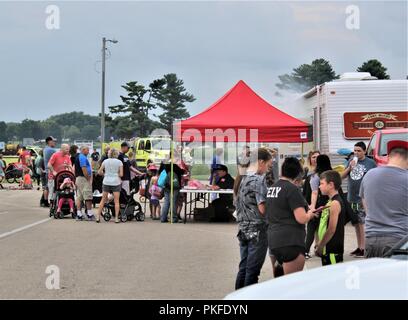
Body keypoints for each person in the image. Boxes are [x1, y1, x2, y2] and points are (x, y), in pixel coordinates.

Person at [266, 157, 317, 277]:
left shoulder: (272, 188)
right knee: (291, 285)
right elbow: (302, 218)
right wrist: (310, 213)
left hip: (273, 240)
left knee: (278, 281)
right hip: (291, 241)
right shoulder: (292, 189)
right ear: (297, 174)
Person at [360, 140, 408, 258]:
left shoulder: (369, 175)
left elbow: (365, 204)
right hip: (398, 241)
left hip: (371, 239)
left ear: (389, 157)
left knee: (374, 276)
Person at [234, 148, 272, 289]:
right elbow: (262, 208)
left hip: (243, 228)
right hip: (258, 229)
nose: (268, 169)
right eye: (268, 165)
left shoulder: (241, 178)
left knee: (243, 268)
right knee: (252, 271)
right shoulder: (258, 179)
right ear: (261, 162)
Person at [341, 141, 376, 258]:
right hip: (351, 197)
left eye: (359, 151)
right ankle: (359, 246)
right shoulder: (351, 160)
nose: (356, 153)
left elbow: (375, 178)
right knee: (356, 223)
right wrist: (350, 167)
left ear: (364, 151)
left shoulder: (370, 163)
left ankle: (364, 248)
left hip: (363, 198)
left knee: (362, 223)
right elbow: (342, 176)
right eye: (355, 150)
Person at [315, 170, 346, 266]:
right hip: (327, 248)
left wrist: (321, 245)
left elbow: (331, 229)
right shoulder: (330, 202)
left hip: (332, 249)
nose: (319, 186)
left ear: (331, 185)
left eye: (322, 183)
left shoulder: (335, 203)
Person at [304, 154, 332, 258]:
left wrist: (312, 207)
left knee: (311, 228)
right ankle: (324, 249)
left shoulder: (315, 176)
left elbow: (314, 193)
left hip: (318, 205)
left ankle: (306, 251)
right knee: (327, 228)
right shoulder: (332, 174)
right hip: (330, 204)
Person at [96, 148, 123, 223]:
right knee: (116, 201)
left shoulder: (105, 161)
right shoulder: (119, 162)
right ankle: (116, 218)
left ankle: (98, 216)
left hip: (106, 181)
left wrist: (105, 174)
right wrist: (115, 174)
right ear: (116, 154)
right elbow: (121, 174)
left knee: (103, 199)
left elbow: (99, 172)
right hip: (116, 182)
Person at [159, 152, 185, 223]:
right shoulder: (176, 165)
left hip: (166, 185)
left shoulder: (165, 163)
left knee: (166, 202)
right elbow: (182, 172)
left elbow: (160, 172)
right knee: (173, 202)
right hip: (175, 186)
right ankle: (173, 218)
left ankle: (163, 218)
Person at [74, 145, 95, 221]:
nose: (88, 151)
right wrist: (88, 178)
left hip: (78, 178)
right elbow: (84, 168)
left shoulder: (78, 157)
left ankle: (79, 214)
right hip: (83, 178)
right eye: (87, 149)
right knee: (88, 196)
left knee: (80, 197)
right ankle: (89, 214)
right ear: (83, 150)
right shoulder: (82, 157)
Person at [43, 136, 58, 207]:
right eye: (53, 141)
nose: (54, 142)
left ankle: (44, 200)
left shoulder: (45, 149)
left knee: (46, 186)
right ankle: (47, 201)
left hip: (46, 170)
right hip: (50, 171)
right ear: (49, 142)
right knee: (50, 186)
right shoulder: (51, 150)